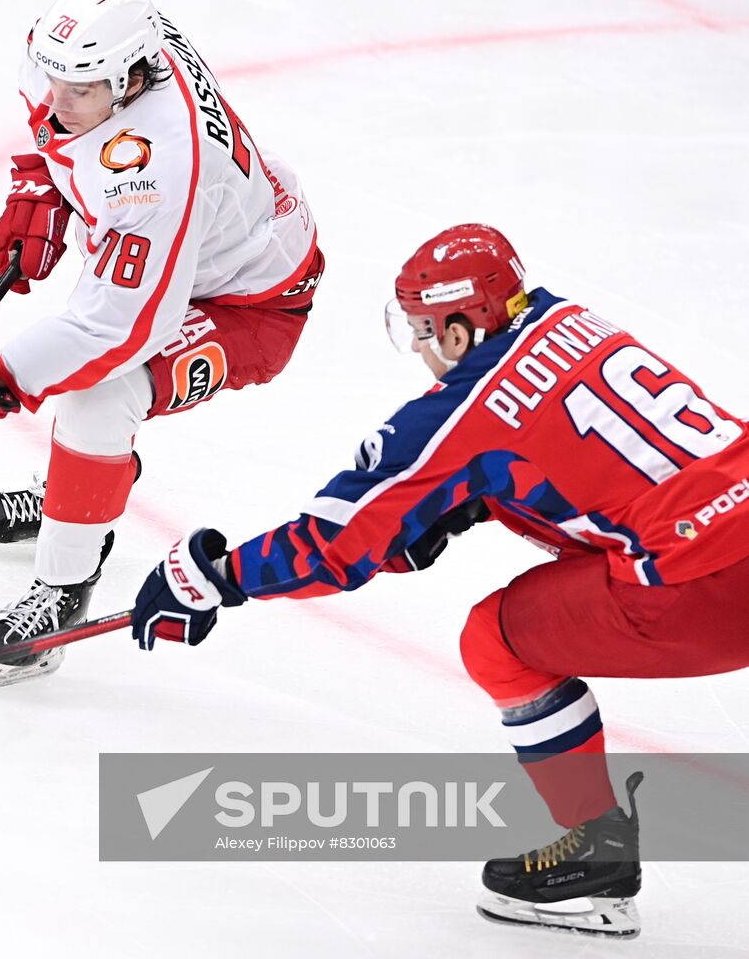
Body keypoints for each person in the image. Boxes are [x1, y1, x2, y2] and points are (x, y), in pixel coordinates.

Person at [129, 223, 749, 937]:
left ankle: (595, 851)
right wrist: (471, 504)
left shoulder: (462, 406)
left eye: (423, 330)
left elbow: (335, 542)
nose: (422, 349)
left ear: (459, 331)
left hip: (696, 590)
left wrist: (213, 577)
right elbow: (588, 458)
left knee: (498, 639)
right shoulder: (573, 320)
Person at [0, 0, 323, 689]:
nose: (56, 101)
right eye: (52, 79)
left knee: (98, 395)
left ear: (129, 81)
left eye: (79, 91)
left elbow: (116, 333)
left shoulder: (157, 170)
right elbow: (55, 114)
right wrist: (39, 181)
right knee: (88, 382)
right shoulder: (91, 57)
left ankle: (61, 594)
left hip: (249, 306)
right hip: (199, 243)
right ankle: (76, 489)